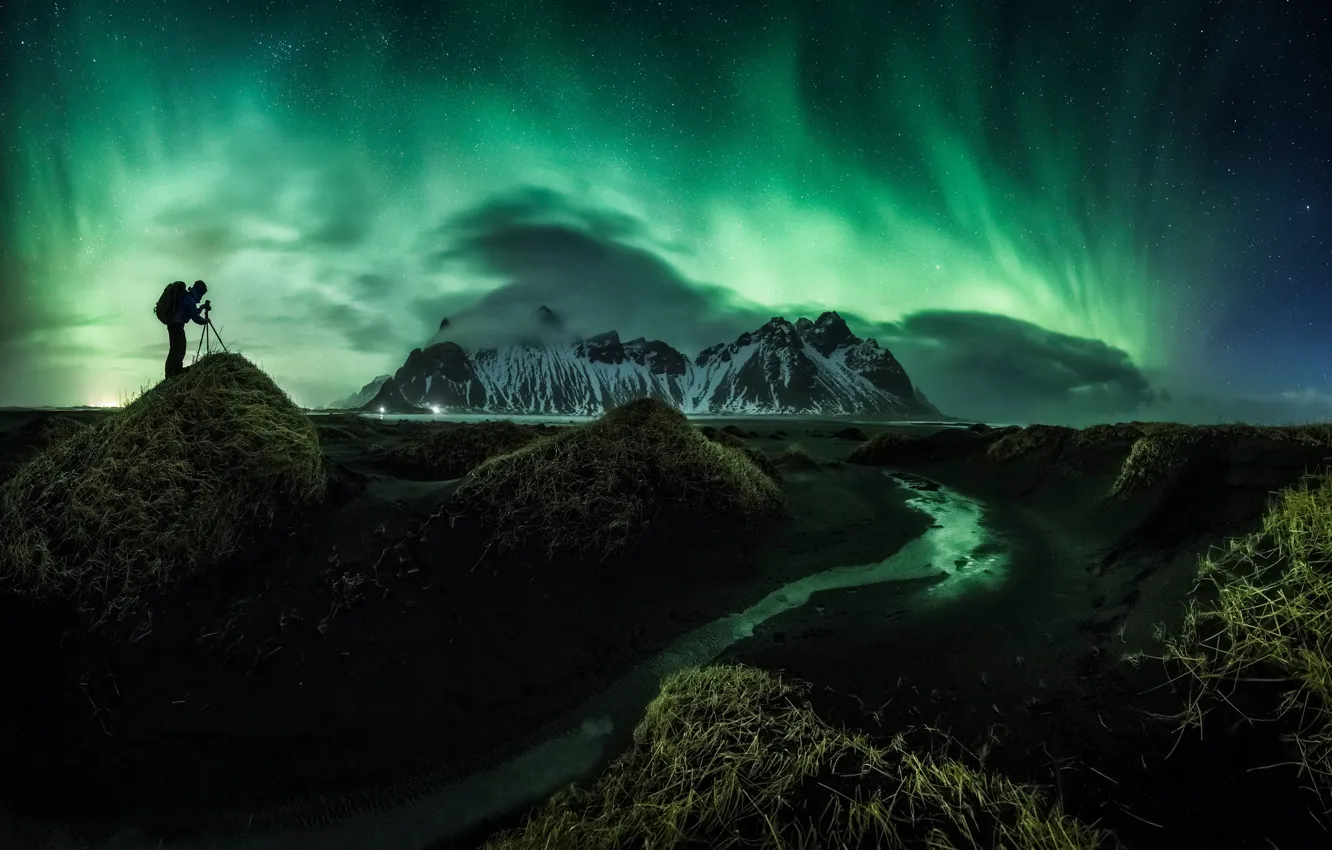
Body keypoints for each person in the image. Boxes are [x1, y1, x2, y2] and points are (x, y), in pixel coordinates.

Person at [165, 280, 210, 379]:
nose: (201, 296)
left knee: (176, 347)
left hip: (174, 324)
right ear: (199, 291)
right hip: (177, 325)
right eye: (202, 293)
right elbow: (196, 318)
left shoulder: (188, 298)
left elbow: (192, 312)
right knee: (179, 347)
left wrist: (201, 308)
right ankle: (174, 371)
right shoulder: (190, 300)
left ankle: (172, 371)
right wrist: (205, 321)